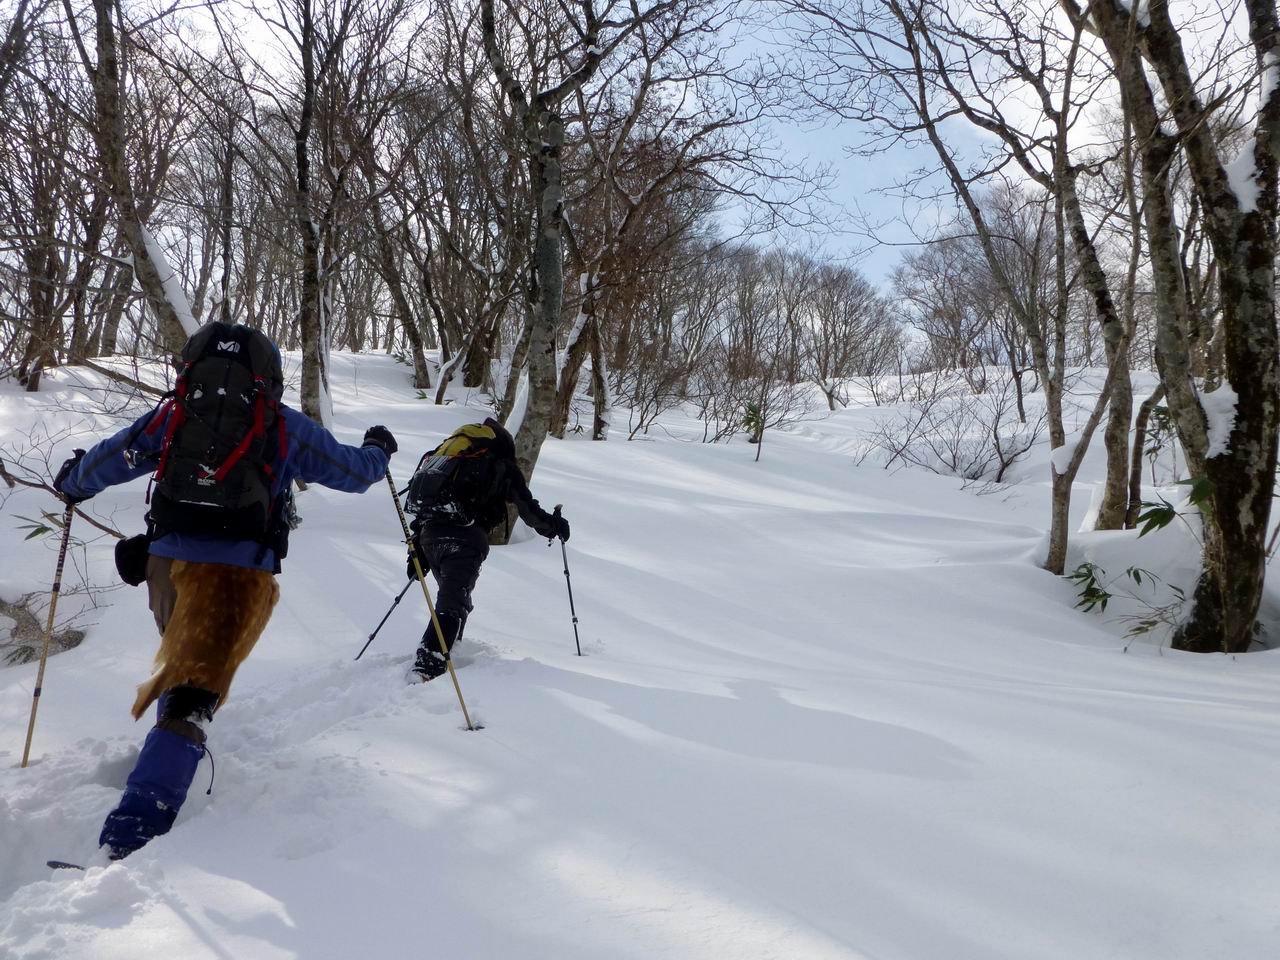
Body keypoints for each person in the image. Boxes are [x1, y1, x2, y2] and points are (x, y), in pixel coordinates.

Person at [53, 321, 397, 860]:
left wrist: (73, 482)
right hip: (237, 578)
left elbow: (113, 458)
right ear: (268, 379)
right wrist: (378, 449)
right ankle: (133, 833)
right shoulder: (281, 425)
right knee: (193, 700)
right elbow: (352, 473)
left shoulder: (174, 415)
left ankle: (160, 765)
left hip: (165, 569)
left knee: (186, 669)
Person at [405, 417, 569, 682]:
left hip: (429, 538)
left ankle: (450, 651)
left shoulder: (447, 456)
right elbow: (528, 510)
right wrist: (555, 526)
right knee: (452, 604)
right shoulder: (500, 464)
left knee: (456, 599)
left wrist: (417, 553)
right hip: (466, 539)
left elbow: (425, 506)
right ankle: (427, 668)